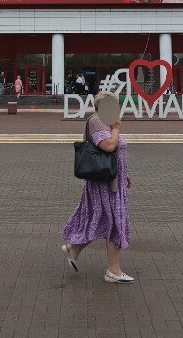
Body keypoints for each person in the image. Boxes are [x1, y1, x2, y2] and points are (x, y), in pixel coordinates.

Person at [61, 93, 133, 283]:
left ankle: (74, 248)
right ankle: (113, 271)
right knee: (115, 223)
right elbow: (108, 146)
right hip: (105, 184)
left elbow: (113, 154)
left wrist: (123, 173)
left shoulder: (106, 122)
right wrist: (116, 129)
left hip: (113, 180)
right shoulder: (97, 121)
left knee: (102, 219)